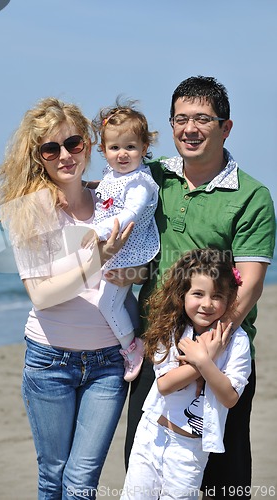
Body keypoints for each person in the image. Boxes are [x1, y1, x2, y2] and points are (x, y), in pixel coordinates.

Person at [121, 76, 276, 498]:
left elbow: (251, 286)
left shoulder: (252, 196)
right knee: (145, 470)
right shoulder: (152, 179)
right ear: (170, 125)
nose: (190, 128)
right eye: (181, 119)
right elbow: (103, 201)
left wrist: (208, 354)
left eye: (203, 119)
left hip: (221, 359)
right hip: (158, 348)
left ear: (226, 128)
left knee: (220, 480)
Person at [0, 97, 134, 500]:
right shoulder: (29, 210)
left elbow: (135, 270)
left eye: (73, 143)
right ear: (38, 156)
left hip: (109, 362)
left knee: (82, 481)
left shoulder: (112, 198)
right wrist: (98, 260)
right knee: (53, 475)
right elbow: (42, 295)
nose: (65, 155)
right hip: (50, 360)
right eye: (51, 149)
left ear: (88, 144)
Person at [121, 248, 251, 499]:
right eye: (198, 294)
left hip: (190, 449)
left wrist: (203, 360)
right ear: (183, 294)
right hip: (151, 436)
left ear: (232, 297)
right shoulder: (172, 328)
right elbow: (165, 385)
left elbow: (230, 397)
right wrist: (204, 361)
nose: (207, 304)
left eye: (217, 296)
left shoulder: (237, 341)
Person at [84, 100, 160, 382]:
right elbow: (108, 194)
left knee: (107, 303)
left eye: (130, 147)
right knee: (120, 296)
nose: (123, 154)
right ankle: (135, 331)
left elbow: (130, 213)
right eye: (115, 148)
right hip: (118, 249)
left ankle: (131, 347)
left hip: (132, 250)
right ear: (103, 151)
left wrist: (98, 232)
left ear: (144, 148)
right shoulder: (113, 175)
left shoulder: (139, 182)